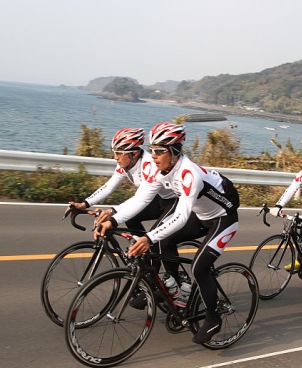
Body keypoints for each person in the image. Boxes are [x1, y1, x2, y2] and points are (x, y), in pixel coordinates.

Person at [95, 122, 240, 344]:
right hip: (200, 216)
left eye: (160, 151)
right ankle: (176, 288)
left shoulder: (189, 173)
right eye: (152, 150)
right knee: (163, 242)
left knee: (200, 267)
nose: (153, 156)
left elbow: (181, 215)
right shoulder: (157, 170)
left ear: (174, 152)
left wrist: (148, 237)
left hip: (223, 219)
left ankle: (213, 318)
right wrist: (114, 220)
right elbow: (141, 200)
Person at [69, 128, 176, 233]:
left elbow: (141, 199)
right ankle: (141, 249)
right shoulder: (125, 163)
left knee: (157, 241)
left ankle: (152, 248)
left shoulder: (150, 165)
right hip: (157, 198)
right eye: (114, 152)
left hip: (175, 201)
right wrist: (85, 203)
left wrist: (112, 212)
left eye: (119, 153)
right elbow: (109, 186)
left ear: (134, 154)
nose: (115, 157)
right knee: (129, 217)